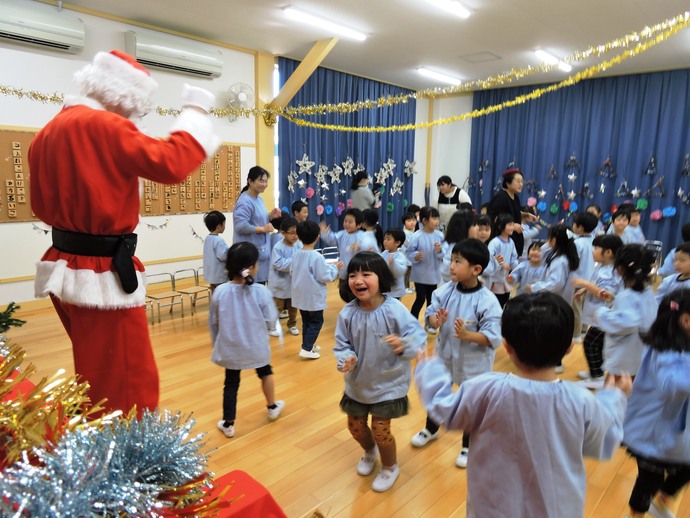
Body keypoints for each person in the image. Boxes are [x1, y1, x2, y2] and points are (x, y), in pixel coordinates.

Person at [28, 50, 220, 416]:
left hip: (65, 262)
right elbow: (171, 163)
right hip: (100, 270)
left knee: (94, 369)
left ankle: (97, 440)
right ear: (125, 97)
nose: (137, 118)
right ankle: (127, 460)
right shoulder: (102, 126)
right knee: (126, 380)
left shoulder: (50, 130)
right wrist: (194, 113)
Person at [415, 292, 631, 518]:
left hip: (492, 509)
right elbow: (605, 442)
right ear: (568, 348)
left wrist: (428, 372)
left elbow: (444, 410)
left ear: (507, 347)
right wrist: (614, 398)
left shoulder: (486, 389)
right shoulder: (581, 400)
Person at [334, 252, 427, 492]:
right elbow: (341, 344)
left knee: (380, 429)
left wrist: (404, 344)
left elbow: (417, 335)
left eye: (366, 274)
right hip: (358, 382)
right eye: (353, 275)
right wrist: (346, 358)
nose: (358, 280)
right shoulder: (347, 313)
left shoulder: (394, 309)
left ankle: (390, 467)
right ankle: (369, 451)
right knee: (355, 426)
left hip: (388, 382)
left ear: (381, 278)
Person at [410, 239, 502, 469]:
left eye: (458, 262)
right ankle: (431, 429)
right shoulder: (445, 291)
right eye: (451, 260)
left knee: (471, 401)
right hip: (446, 355)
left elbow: (493, 337)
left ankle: (468, 445)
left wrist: (468, 335)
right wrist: (434, 321)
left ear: (476, 269)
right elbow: (431, 315)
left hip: (474, 361)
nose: (451, 266)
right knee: (438, 391)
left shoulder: (488, 301)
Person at [623, 289, 690, 518]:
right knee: (649, 479)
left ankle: (660, 502)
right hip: (652, 430)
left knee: (684, 468)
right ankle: (636, 514)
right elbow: (672, 385)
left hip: (676, 430)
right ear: (686, 320)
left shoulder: (682, 345)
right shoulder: (667, 352)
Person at [210, 242, 284, 439]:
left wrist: (217, 343)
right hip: (256, 346)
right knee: (265, 372)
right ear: (251, 267)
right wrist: (268, 329)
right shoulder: (261, 291)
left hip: (231, 348)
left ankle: (228, 423)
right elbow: (271, 319)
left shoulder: (220, 292)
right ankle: (272, 406)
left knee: (231, 383)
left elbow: (214, 322)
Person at [593, 244, 657, 379]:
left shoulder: (627, 296)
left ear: (620, 269)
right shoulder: (647, 291)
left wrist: (601, 313)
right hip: (639, 349)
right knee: (628, 386)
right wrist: (614, 298)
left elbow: (626, 322)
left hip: (624, 353)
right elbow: (636, 312)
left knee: (614, 391)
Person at [571, 234, 624, 388]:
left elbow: (605, 294)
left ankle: (597, 376)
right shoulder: (603, 267)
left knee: (590, 344)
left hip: (606, 316)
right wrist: (585, 289)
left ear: (608, 252)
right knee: (597, 345)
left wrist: (585, 284)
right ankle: (597, 371)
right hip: (601, 316)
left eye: (596, 249)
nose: (593, 251)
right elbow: (597, 284)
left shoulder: (611, 272)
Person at [292, 220, 342, 359]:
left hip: (300, 295)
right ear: (317, 237)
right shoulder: (316, 256)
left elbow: (292, 271)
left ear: (299, 237)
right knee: (316, 321)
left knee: (307, 321)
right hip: (312, 296)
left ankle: (308, 344)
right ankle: (307, 348)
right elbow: (324, 276)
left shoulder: (296, 253)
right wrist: (335, 268)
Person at [233, 166, 283, 284]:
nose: (264, 184)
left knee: (259, 284)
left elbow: (258, 219)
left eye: (266, 181)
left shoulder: (258, 198)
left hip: (259, 250)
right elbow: (240, 226)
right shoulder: (244, 201)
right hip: (248, 252)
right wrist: (263, 229)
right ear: (250, 181)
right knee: (250, 285)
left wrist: (271, 216)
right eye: (261, 181)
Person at [405, 207, 444, 330]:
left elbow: (445, 254)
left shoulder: (440, 235)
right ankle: (412, 323)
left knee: (431, 300)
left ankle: (430, 324)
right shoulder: (417, 236)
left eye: (437, 218)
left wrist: (440, 251)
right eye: (434, 218)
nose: (437, 221)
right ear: (425, 220)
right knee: (420, 298)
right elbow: (409, 252)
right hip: (420, 275)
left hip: (433, 274)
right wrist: (415, 256)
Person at [487, 168, 537, 257]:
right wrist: (512, 226)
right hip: (503, 243)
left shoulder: (515, 197)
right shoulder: (500, 198)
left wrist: (525, 215)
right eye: (518, 181)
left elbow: (511, 212)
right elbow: (493, 218)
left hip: (514, 242)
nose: (521, 184)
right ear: (508, 183)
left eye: (522, 181)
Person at [320, 208, 365, 303]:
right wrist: (325, 233)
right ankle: (350, 308)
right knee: (344, 293)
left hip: (357, 271)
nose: (347, 224)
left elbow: (369, 247)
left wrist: (361, 245)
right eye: (345, 221)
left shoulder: (362, 236)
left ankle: (357, 312)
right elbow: (332, 240)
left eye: (350, 222)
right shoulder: (342, 234)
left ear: (359, 225)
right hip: (344, 270)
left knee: (356, 294)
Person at [268, 217, 303, 337]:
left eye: (297, 233)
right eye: (292, 233)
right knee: (277, 307)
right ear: (283, 233)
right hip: (280, 284)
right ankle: (272, 325)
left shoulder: (299, 245)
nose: (295, 236)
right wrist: (295, 261)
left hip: (294, 284)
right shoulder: (278, 247)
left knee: (293, 307)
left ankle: (292, 325)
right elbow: (278, 264)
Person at [571, 212, 599, 339]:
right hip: (589, 280)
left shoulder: (577, 243)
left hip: (578, 280)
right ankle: (582, 330)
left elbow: (574, 262)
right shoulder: (594, 241)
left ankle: (575, 335)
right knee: (583, 307)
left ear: (580, 227)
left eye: (574, 224)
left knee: (575, 309)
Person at [486, 213, 519, 307]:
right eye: (509, 224)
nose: (512, 227)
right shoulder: (495, 242)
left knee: (504, 299)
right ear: (501, 226)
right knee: (496, 302)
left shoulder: (511, 242)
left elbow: (514, 256)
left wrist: (513, 265)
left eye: (513, 224)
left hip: (504, 278)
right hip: (495, 279)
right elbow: (490, 256)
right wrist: (501, 264)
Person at [441, 209, 479, 284]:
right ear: (463, 228)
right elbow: (446, 271)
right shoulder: (453, 249)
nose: (478, 228)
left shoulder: (470, 246)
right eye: (474, 225)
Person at [203, 211, 229, 293]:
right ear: (219, 226)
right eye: (224, 223)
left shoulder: (208, 238)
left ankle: (215, 306)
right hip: (219, 275)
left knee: (215, 295)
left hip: (211, 274)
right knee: (222, 295)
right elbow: (223, 256)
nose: (225, 226)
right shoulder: (219, 241)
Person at [380, 228, 407, 299]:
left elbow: (401, 271)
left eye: (388, 239)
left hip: (395, 291)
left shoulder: (400, 256)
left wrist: (393, 264)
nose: (385, 241)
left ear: (397, 243)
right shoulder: (384, 253)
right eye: (384, 239)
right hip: (384, 289)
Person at [401, 212, 417, 293]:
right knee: (406, 273)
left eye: (414, 220)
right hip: (405, 257)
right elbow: (410, 244)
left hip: (410, 258)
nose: (412, 222)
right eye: (409, 220)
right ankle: (405, 288)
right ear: (404, 222)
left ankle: (407, 286)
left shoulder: (413, 232)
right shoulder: (405, 233)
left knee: (409, 272)